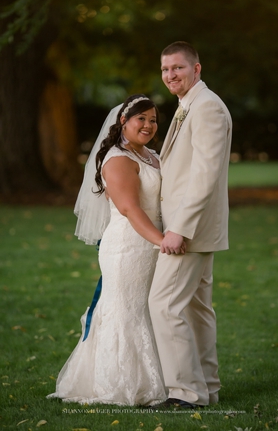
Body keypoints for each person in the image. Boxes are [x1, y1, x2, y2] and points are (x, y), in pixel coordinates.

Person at [48, 95, 168, 406]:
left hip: (152, 242)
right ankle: (120, 383)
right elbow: (129, 208)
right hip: (129, 246)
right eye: (140, 118)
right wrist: (161, 240)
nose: (148, 125)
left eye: (153, 119)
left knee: (148, 309)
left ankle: (161, 377)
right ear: (123, 122)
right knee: (126, 310)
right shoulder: (118, 159)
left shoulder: (151, 155)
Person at [149, 41, 232, 409]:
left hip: (190, 230)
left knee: (164, 304)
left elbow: (205, 174)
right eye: (166, 70)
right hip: (195, 229)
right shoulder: (189, 106)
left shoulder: (208, 107)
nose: (170, 75)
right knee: (197, 309)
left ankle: (186, 393)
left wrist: (179, 228)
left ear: (196, 69)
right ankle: (208, 388)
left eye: (178, 68)